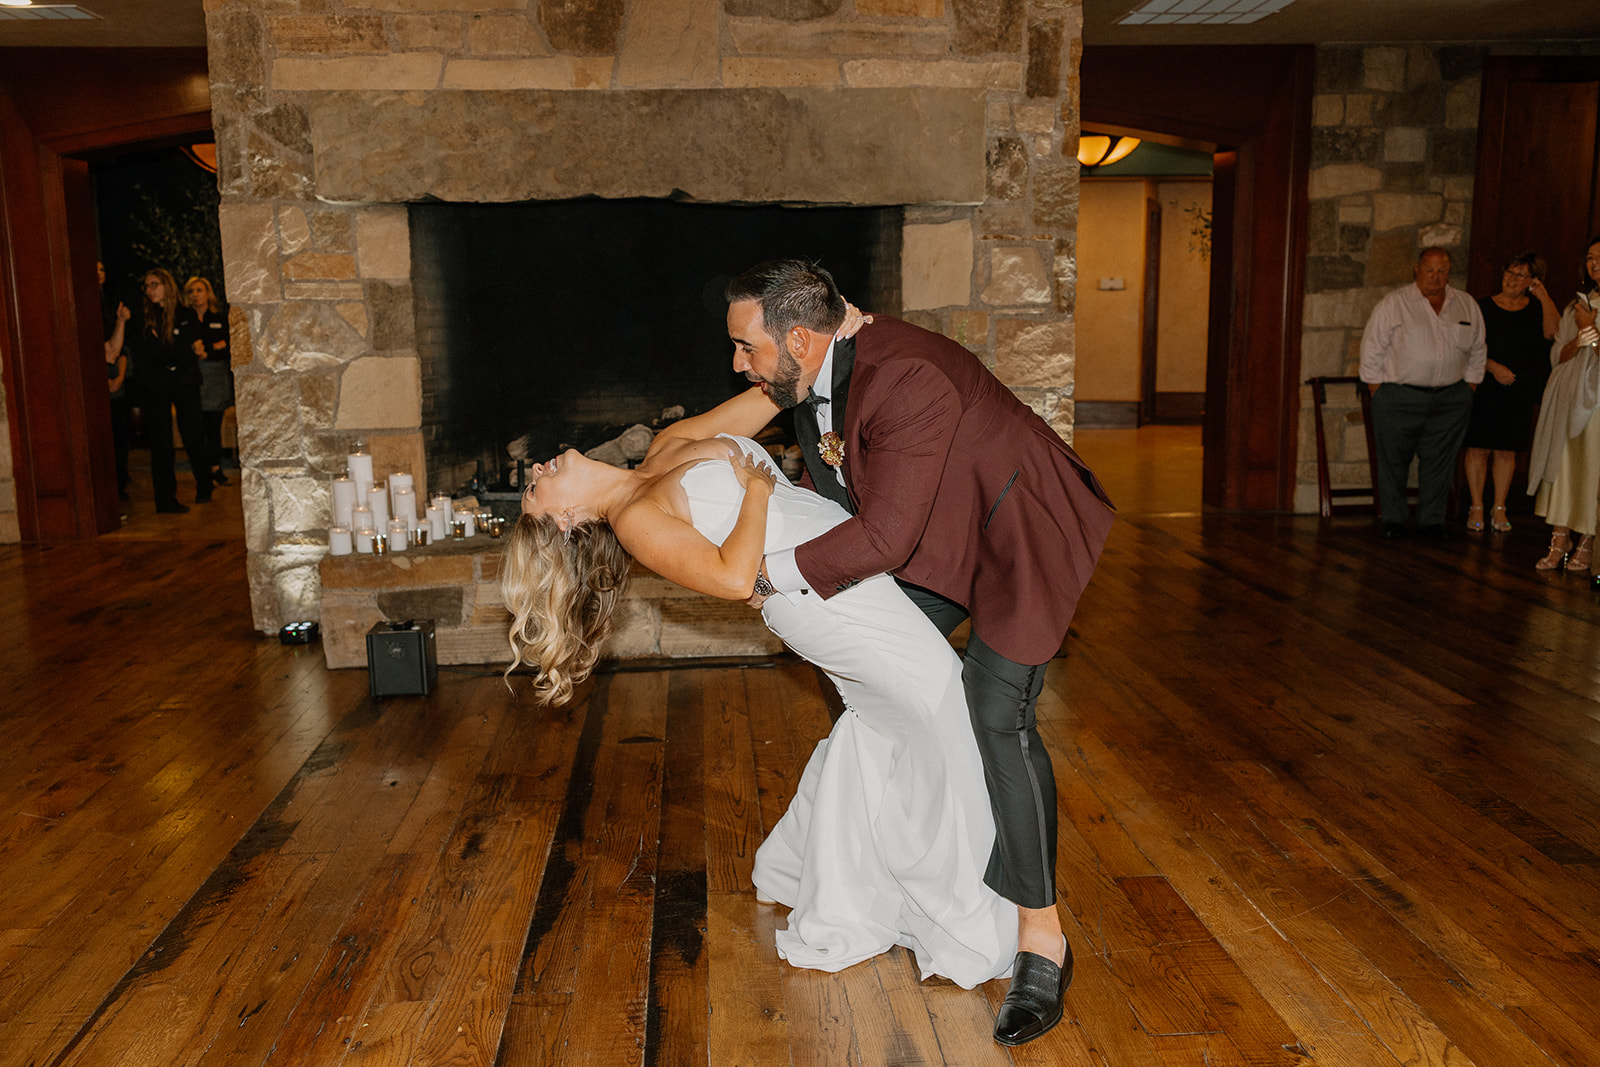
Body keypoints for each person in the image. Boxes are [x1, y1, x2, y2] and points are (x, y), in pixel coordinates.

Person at [502, 383, 1019, 991]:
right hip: (821, 604)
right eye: (535, 489)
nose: (535, 470)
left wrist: (821, 332)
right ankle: (965, 909)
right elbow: (731, 577)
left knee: (902, 722)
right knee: (944, 712)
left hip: (845, 578)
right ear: (566, 521)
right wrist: (755, 492)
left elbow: (777, 393)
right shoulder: (635, 521)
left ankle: (854, 873)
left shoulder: (663, 449)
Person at [727, 259, 1115, 1046]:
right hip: (936, 526)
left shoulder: (903, 376)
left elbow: (880, 537)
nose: (737, 362)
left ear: (800, 337)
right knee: (879, 669)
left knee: (995, 712)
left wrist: (764, 574)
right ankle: (893, 863)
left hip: (1018, 529)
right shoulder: (810, 377)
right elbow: (847, 503)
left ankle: (1042, 939)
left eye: (745, 348)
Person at [1359, 246, 1487, 540]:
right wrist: (1376, 389)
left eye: (1442, 270)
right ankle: (1393, 519)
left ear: (1448, 272)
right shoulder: (1394, 303)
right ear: (1416, 270)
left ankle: (1432, 521)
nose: (1436, 276)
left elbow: (1479, 348)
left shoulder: (1465, 304)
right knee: (1393, 459)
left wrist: (1469, 386)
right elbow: (1372, 348)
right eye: (1429, 270)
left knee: (1440, 461)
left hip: (1451, 399)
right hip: (1398, 396)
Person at [1463, 252, 1559, 532]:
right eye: (1509, 272)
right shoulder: (1483, 307)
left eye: (1519, 275)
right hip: (1487, 383)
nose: (1511, 279)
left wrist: (1544, 296)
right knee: (1478, 448)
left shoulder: (1536, 308)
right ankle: (1476, 506)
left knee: (1506, 450)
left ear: (1532, 280)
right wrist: (1493, 368)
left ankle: (1500, 507)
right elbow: (1470, 346)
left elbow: (1554, 333)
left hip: (1519, 388)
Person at [1527, 235, 1600, 572]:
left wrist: (1592, 330)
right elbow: (1558, 354)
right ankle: (1559, 538)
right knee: (1564, 464)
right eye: (1590, 257)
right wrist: (1578, 336)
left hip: (1596, 401)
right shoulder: (1576, 304)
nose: (1595, 263)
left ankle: (1587, 539)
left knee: (1590, 468)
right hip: (1568, 392)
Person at [132, 268, 211, 513]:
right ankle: (165, 499)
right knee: (161, 441)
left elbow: (193, 350)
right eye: (147, 286)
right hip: (157, 384)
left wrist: (178, 352)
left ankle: (205, 484)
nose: (150, 290)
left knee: (192, 434)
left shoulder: (186, 314)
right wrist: (182, 351)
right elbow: (151, 354)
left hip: (184, 381)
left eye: (154, 284)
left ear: (167, 285)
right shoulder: (146, 318)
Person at [182, 276, 233, 487]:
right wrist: (214, 347)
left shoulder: (219, 317)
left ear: (207, 292)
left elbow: (227, 347)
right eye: (192, 291)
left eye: (200, 290)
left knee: (214, 426)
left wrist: (209, 350)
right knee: (198, 427)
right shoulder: (186, 318)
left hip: (216, 379)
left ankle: (216, 468)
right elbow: (189, 348)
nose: (196, 295)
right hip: (194, 377)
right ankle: (203, 471)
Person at [101, 262, 133, 502]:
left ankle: (118, 485)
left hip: (113, 384)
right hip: (91, 388)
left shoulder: (109, 305)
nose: (98, 273)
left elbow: (114, 351)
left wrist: (121, 322)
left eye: (102, 269)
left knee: (118, 437)